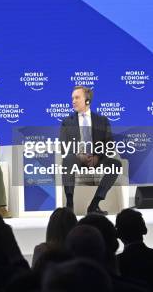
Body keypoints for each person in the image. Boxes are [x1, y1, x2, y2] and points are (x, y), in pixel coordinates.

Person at [60, 86, 123, 215]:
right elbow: (63, 146)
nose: (73, 101)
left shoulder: (102, 120)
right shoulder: (67, 122)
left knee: (116, 165)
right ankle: (70, 203)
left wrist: (97, 157)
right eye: (72, 98)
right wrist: (79, 155)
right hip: (77, 159)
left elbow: (109, 144)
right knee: (67, 160)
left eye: (77, 98)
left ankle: (94, 204)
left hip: (97, 159)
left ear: (87, 100)